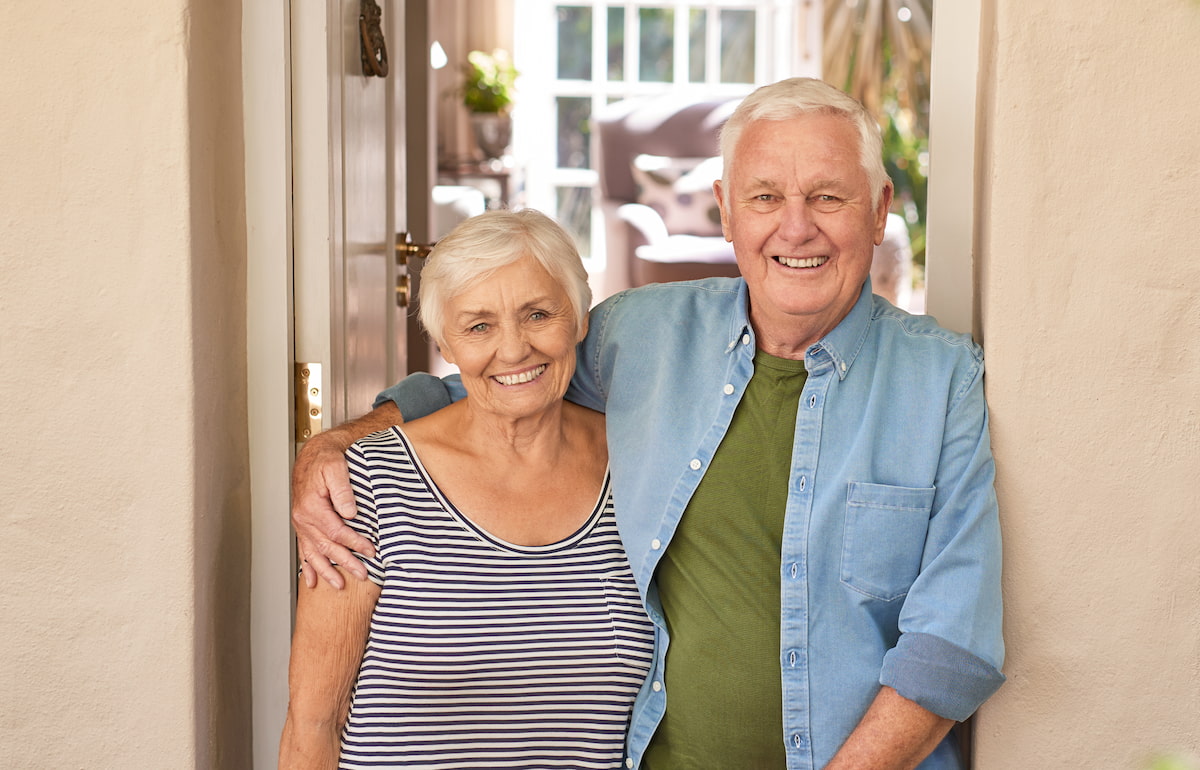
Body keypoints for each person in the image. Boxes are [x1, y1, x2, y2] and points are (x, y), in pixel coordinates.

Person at [291, 77, 1005, 769]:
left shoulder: (942, 382)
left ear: (879, 210)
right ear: (727, 211)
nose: (796, 226)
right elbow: (509, 377)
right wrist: (341, 440)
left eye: (828, 196)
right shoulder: (642, 337)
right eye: (766, 196)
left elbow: (953, 646)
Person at [279, 209, 654, 768]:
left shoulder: (646, 466)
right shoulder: (370, 483)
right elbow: (313, 723)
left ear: (578, 318)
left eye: (538, 314)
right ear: (445, 343)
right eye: (479, 325)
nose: (513, 349)